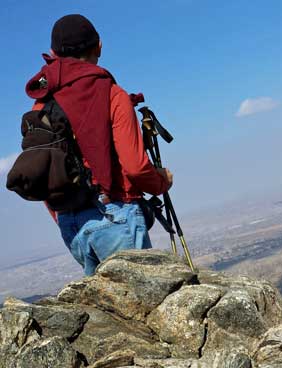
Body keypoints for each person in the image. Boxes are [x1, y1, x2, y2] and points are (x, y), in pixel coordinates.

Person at [25, 14, 173, 276]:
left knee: (107, 310)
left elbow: (44, 169)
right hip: (115, 214)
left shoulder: (41, 104)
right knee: (140, 307)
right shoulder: (112, 95)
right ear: (99, 46)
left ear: (52, 53)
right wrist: (161, 183)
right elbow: (136, 167)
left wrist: (63, 216)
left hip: (70, 225)